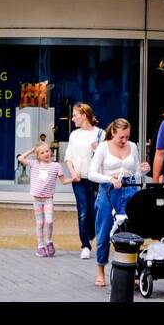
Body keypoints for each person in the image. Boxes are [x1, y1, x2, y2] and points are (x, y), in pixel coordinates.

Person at [88, 118, 149, 287]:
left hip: (129, 189)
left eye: (127, 137)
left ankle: (133, 271)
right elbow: (91, 173)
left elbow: (135, 171)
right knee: (104, 231)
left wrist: (143, 171)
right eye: (121, 137)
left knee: (132, 232)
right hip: (108, 191)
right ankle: (101, 270)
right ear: (113, 132)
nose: (124, 140)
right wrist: (109, 178)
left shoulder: (133, 146)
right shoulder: (103, 147)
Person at [63, 103, 103, 258]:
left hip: (95, 179)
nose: (72, 119)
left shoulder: (100, 133)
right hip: (78, 179)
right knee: (83, 211)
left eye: (75, 115)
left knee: (95, 210)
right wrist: (73, 173)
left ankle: (90, 235)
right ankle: (85, 245)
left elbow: (106, 157)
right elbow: (68, 157)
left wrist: (97, 149)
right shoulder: (74, 135)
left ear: (84, 115)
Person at [18, 142, 71, 256]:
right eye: (42, 152)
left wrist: (74, 179)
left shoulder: (56, 166)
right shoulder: (34, 163)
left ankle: (49, 241)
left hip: (48, 199)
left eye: (47, 151)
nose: (46, 153)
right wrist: (32, 150)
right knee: (40, 223)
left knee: (49, 221)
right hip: (37, 200)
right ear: (38, 156)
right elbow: (21, 158)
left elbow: (64, 180)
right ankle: (40, 246)